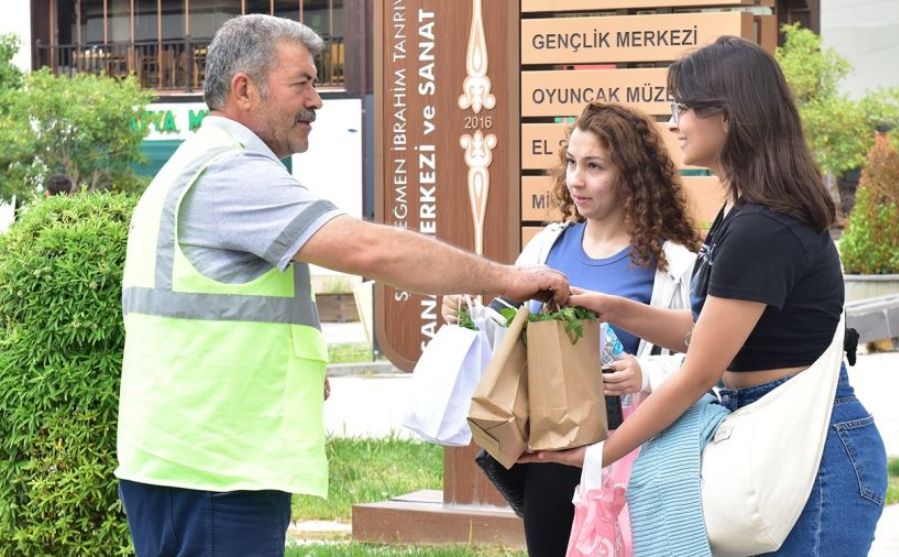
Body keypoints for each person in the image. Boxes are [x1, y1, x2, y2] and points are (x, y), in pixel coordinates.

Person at [114, 14, 568, 557]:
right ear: (245, 90)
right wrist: (507, 279)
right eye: (302, 82)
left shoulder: (199, 166)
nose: (317, 100)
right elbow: (369, 250)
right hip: (216, 471)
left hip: (193, 461)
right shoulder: (230, 176)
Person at [523, 36, 888, 555]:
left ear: (730, 116)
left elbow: (698, 370)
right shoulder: (740, 214)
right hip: (767, 433)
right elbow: (709, 331)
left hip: (813, 452)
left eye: (685, 108)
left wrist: (599, 454)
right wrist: (611, 306)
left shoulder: (764, 226)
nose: (674, 123)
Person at [442, 101, 700, 557]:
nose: (576, 180)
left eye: (594, 166)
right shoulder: (547, 246)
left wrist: (646, 373)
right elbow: (505, 332)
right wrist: (468, 318)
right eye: (571, 163)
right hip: (551, 454)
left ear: (632, 175)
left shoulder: (675, 264)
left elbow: (707, 356)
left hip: (635, 454)